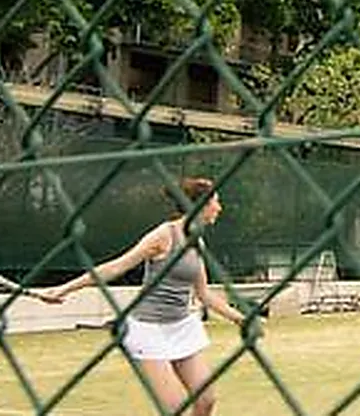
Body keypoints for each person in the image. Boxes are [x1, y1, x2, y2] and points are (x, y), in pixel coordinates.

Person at [38, 177, 255, 415]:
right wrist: (65, 289)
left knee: (206, 400)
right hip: (148, 329)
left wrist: (240, 318)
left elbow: (203, 293)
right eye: (216, 201)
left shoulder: (197, 241)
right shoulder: (164, 235)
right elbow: (116, 267)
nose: (219, 207)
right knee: (173, 407)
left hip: (181, 325)